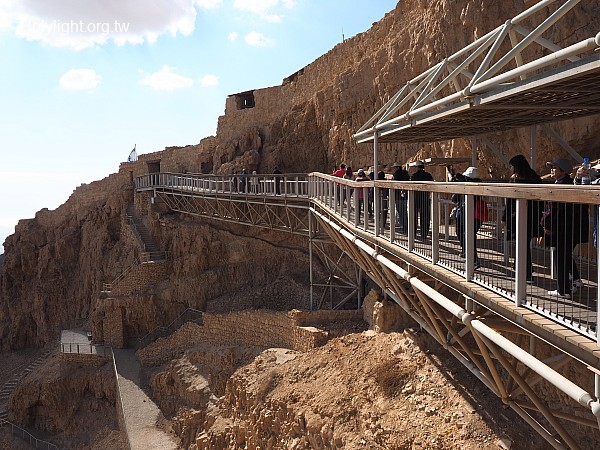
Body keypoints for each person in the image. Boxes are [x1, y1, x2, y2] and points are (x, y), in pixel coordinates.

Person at [541, 158, 589, 298]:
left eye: (555, 167)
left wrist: (545, 222)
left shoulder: (563, 185)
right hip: (568, 228)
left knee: (560, 256)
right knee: (564, 254)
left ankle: (564, 290)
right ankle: (573, 281)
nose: (552, 169)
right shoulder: (567, 183)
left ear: (563, 171)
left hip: (562, 229)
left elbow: (556, 210)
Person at [501, 155, 543, 283]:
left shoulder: (515, 179)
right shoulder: (534, 177)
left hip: (518, 217)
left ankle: (526, 273)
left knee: (521, 244)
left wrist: (505, 217)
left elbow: (510, 202)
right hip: (533, 217)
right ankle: (523, 268)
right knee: (524, 244)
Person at [451, 166, 487, 269]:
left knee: (467, 235)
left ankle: (473, 260)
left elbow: (454, 199)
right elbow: (455, 199)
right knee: (467, 235)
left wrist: (457, 178)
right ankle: (467, 253)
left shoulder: (472, 184)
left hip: (469, 214)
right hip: (473, 215)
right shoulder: (476, 184)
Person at [410, 160, 434, 239]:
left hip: (416, 197)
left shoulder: (414, 176)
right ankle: (424, 234)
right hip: (425, 197)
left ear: (417, 167)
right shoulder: (428, 175)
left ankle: (413, 233)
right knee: (425, 216)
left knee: (414, 216)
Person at [392, 162, 410, 233]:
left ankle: (403, 227)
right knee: (404, 211)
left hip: (397, 195)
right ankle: (406, 226)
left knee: (400, 211)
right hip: (405, 195)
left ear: (397, 167)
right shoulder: (405, 173)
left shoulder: (396, 174)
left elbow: (394, 183)